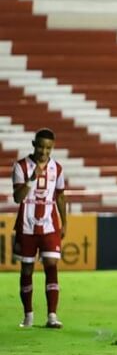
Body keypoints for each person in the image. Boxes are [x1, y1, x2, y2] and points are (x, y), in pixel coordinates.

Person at [12, 128, 67, 329]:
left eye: (48, 148)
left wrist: (64, 221)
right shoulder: (21, 167)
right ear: (34, 144)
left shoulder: (57, 169)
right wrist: (32, 178)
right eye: (41, 146)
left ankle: (52, 315)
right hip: (26, 225)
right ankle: (28, 316)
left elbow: (60, 196)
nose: (44, 151)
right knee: (27, 269)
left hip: (49, 223)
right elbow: (18, 197)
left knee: (51, 265)